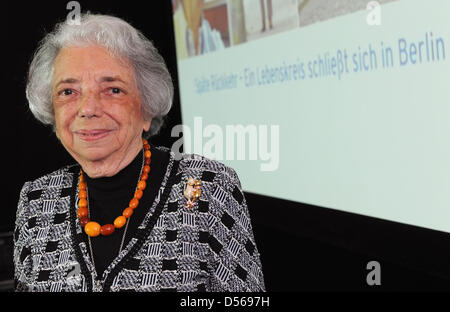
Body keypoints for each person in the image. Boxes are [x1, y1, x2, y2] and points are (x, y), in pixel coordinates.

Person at [14, 13, 265, 292]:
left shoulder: (207, 187)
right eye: (68, 92)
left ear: (146, 108)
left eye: (113, 89)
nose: (87, 108)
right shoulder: (36, 200)